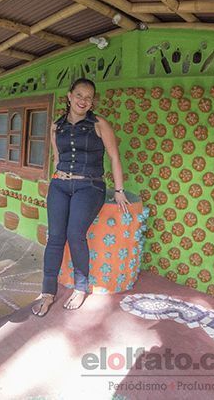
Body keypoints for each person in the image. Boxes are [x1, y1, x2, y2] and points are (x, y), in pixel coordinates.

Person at [31, 78, 130, 316]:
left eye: (88, 97)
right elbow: (57, 157)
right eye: (79, 95)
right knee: (55, 237)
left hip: (90, 186)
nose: (83, 100)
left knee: (75, 234)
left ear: (92, 100)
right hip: (60, 185)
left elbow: (114, 157)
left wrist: (118, 190)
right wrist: (55, 179)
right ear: (69, 96)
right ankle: (47, 292)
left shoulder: (99, 124)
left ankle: (81, 287)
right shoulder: (57, 126)